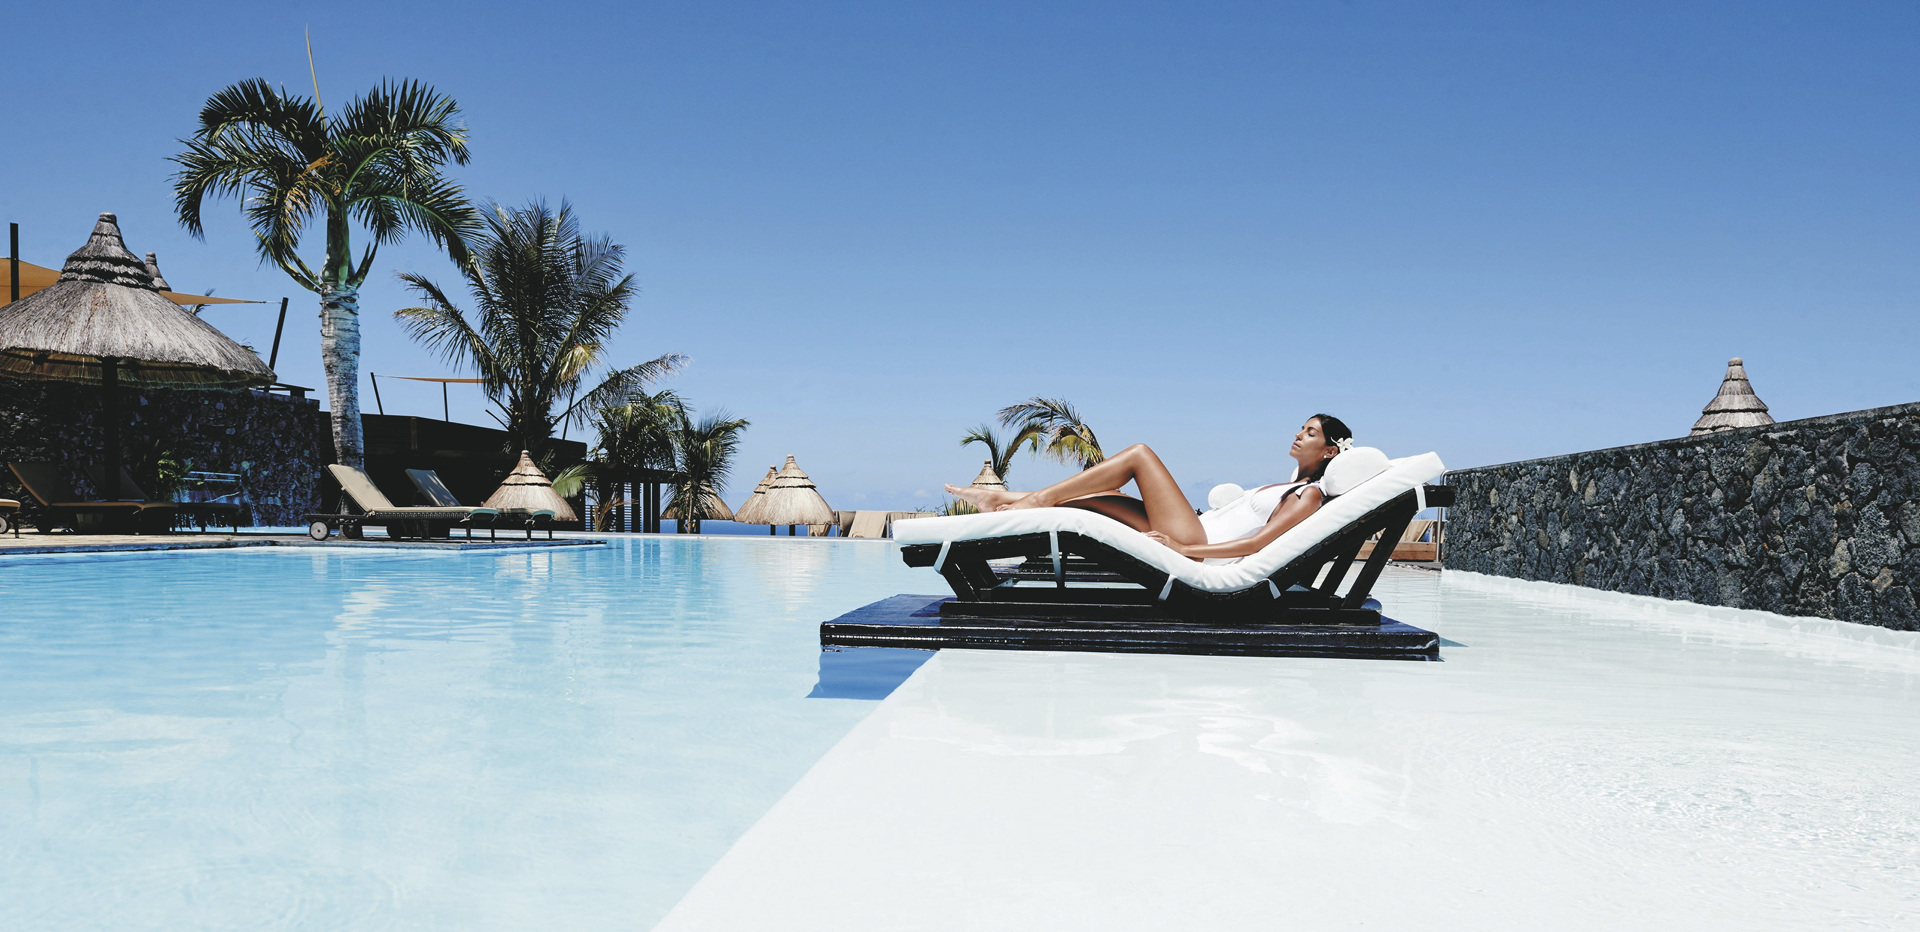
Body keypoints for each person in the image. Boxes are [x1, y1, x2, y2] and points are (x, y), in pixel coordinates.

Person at [944, 414, 1353, 563]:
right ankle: (1002, 498)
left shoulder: (1309, 495)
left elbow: (1258, 544)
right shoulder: (1288, 484)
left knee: (1139, 455)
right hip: (1197, 530)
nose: (1298, 435)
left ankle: (1033, 499)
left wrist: (1183, 550)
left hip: (1196, 541)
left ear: (1330, 451)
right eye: (1301, 428)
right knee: (1100, 500)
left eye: (1310, 433)